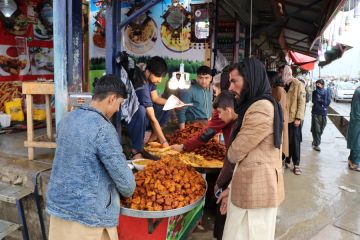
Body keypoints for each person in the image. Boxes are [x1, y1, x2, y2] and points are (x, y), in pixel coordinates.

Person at [46, 75, 136, 240]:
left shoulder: (67, 118)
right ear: (112, 98)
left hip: (59, 207)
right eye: (119, 104)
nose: (117, 110)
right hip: (88, 219)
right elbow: (127, 184)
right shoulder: (103, 128)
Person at [217, 58, 284, 240]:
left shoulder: (261, 108)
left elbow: (236, 151)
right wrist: (231, 188)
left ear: (249, 80)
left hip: (257, 192)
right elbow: (247, 157)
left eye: (234, 81)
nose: (230, 88)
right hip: (248, 186)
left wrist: (224, 181)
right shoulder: (255, 105)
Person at [125, 56, 170, 159]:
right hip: (131, 118)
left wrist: (173, 103)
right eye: (158, 76)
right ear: (148, 71)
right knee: (141, 110)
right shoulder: (142, 87)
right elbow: (153, 119)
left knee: (168, 105)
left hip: (145, 115)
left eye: (161, 77)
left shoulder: (151, 80)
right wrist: (164, 142)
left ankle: (151, 141)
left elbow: (155, 98)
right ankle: (136, 149)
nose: (159, 80)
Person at [283, 65, 306, 175]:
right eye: (284, 72)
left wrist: (298, 118)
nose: (286, 74)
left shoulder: (298, 84)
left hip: (294, 118)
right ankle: (286, 160)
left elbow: (302, 103)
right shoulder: (282, 85)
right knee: (286, 141)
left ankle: (296, 164)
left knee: (295, 142)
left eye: (288, 72)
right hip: (284, 119)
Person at [269, 72, 289, 160]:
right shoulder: (280, 89)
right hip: (282, 118)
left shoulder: (278, 89)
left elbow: (278, 106)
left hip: (279, 119)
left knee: (280, 142)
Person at [311, 79, 331, 151]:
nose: (317, 85)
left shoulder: (327, 92)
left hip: (323, 113)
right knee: (316, 129)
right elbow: (314, 101)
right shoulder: (314, 92)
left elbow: (328, 101)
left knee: (321, 129)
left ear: (322, 85)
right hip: (315, 112)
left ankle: (315, 140)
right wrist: (321, 101)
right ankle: (316, 144)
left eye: (319, 84)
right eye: (317, 84)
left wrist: (321, 101)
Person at [347, 86, 360, 171]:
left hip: (355, 119)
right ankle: (355, 163)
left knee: (355, 140)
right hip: (357, 119)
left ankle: (351, 160)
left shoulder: (357, 90)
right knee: (357, 142)